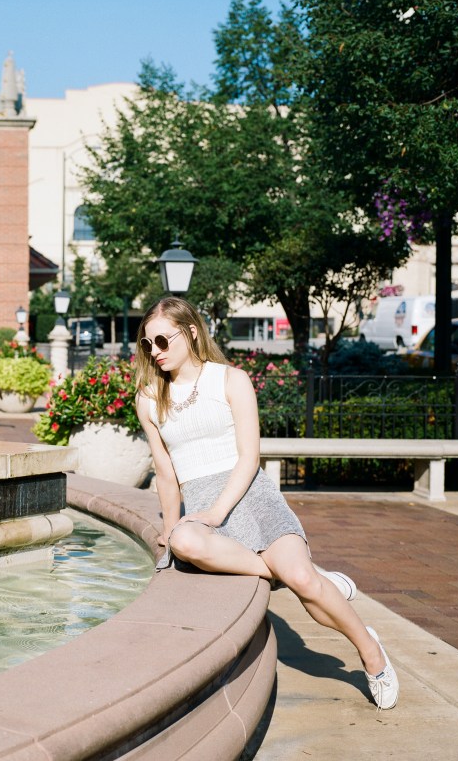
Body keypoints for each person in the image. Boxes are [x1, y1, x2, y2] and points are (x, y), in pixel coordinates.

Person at [135, 297, 399, 710]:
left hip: (251, 497)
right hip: (201, 505)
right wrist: (170, 530)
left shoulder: (231, 380)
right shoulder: (150, 398)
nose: (155, 352)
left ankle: (372, 653)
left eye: (163, 341)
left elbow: (249, 458)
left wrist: (219, 511)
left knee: (306, 584)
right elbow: (166, 474)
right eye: (148, 344)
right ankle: (298, 572)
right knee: (185, 541)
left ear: (190, 332)